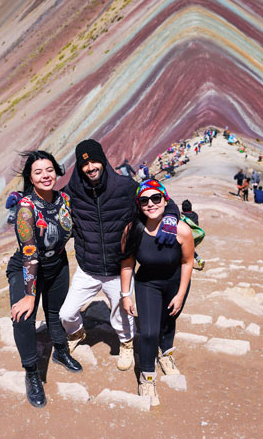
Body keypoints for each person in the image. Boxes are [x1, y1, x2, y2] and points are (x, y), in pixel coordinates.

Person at [59, 139, 180, 372]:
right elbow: (50, 202)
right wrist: (24, 199)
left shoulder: (125, 187)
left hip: (118, 269)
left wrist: (171, 217)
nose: (91, 167)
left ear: (103, 160)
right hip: (88, 268)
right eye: (85, 164)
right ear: (79, 167)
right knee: (66, 313)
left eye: (95, 161)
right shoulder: (72, 192)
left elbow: (162, 199)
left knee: (123, 317)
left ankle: (126, 343)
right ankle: (76, 333)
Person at [6, 150, 82, 408]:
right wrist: (29, 296)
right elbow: (29, 254)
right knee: (23, 318)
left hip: (57, 264)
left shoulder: (64, 200)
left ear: (56, 171)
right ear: (30, 177)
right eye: (38, 172)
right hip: (27, 269)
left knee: (56, 312)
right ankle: (32, 373)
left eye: (49, 169)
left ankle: (60, 351)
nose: (45, 175)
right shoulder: (26, 210)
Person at [121, 180, 194, 406]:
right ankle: (147, 378)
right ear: (138, 204)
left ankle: (166, 355)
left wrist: (181, 294)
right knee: (149, 332)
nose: (151, 204)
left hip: (175, 282)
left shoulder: (181, 230)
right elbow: (126, 264)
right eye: (144, 200)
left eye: (156, 198)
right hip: (147, 283)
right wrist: (126, 295)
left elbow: (187, 262)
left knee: (169, 322)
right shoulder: (132, 230)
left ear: (165, 200)